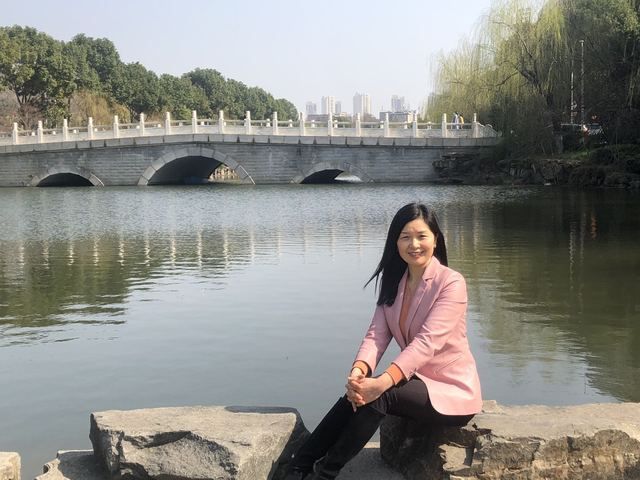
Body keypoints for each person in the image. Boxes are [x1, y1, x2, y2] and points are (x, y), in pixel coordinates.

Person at [285, 203, 483, 480]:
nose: (414, 244)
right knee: (357, 394)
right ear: (395, 242)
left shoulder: (451, 283)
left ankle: (325, 473)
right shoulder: (394, 282)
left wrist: (382, 382)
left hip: (451, 390)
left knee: (381, 393)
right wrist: (359, 373)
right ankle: (298, 466)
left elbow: (427, 342)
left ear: (436, 239)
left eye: (421, 236)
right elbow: (376, 336)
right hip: (416, 382)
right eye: (405, 237)